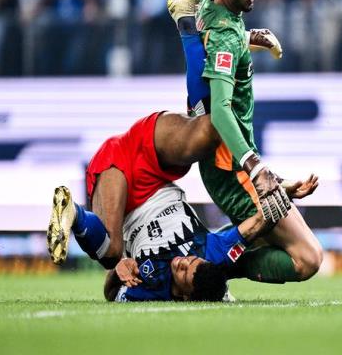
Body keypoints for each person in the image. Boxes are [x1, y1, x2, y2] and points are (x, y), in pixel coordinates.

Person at [167, 0, 323, 283]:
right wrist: (257, 170)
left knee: (274, 241)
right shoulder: (225, 33)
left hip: (230, 164)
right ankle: (207, 265)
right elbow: (221, 110)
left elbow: (213, 44)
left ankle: (206, 259)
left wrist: (250, 37)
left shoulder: (215, 4)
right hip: (233, 170)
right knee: (307, 259)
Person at [47, 112, 316, 301]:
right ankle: (203, 73)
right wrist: (282, 191)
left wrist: (118, 272)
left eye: (184, 272)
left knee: (110, 254)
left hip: (120, 184)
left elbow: (111, 293)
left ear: (185, 296)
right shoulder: (213, 254)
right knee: (211, 129)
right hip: (155, 166)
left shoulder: (153, 288)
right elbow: (258, 222)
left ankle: (73, 213)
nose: (182, 262)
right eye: (192, 262)